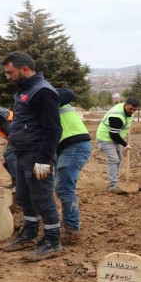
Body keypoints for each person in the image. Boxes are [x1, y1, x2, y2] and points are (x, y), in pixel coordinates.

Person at [0, 51, 63, 260]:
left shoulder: (43, 92)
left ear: (24, 69)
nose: (7, 76)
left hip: (37, 154)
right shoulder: (24, 91)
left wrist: (44, 160)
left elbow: (52, 129)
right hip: (22, 153)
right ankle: (29, 234)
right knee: (25, 197)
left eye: (10, 72)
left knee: (42, 197)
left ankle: (53, 241)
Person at [55, 88, 91, 243]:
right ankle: (68, 224)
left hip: (74, 144)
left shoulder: (45, 96)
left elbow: (68, 93)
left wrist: (48, 102)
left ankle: (71, 230)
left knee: (64, 187)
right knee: (61, 186)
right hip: (67, 146)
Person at [95, 98, 139, 194]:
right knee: (114, 160)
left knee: (118, 160)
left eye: (134, 110)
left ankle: (114, 182)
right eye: (130, 109)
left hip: (116, 138)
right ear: (125, 104)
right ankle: (113, 185)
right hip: (106, 138)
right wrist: (125, 144)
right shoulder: (117, 116)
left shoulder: (127, 110)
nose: (132, 111)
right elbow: (113, 134)